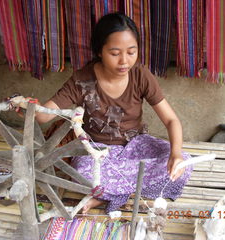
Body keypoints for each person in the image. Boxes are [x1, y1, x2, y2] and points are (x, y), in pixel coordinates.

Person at [34, 12, 192, 214]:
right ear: (100, 50)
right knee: (82, 172)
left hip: (136, 146)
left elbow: (171, 120)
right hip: (96, 151)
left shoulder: (141, 75)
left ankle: (108, 195)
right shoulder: (82, 79)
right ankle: (121, 192)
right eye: (115, 53)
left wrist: (175, 155)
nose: (124, 61)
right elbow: (44, 115)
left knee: (183, 163)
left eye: (131, 52)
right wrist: (29, 108)